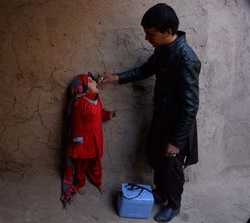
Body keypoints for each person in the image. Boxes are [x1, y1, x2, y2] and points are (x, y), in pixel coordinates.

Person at [100, 3, 201, 222]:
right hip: (161, 117)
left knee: (172, 165)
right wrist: (116, 77)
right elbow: (146, 70)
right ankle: (162, 193)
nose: (147, 39)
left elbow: (191, 106)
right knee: (157, 157)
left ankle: (174, 205)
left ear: (168, 32)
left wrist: (176, 140)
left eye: (150, 34)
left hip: (177, 125)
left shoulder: (186, 60)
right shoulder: (163, 50)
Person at [60, 73, 115, 208]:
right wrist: (77, 141)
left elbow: (100, 112)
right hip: (84, 143)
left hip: (95, 141)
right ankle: (81, 183)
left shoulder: (96, 99)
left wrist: (108, 114)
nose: (95, 81)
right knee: (81, 166)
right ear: (82, 89)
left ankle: (98, 181)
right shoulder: (80, 104)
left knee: (96, 164)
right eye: (90, 81)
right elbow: (76, 124)